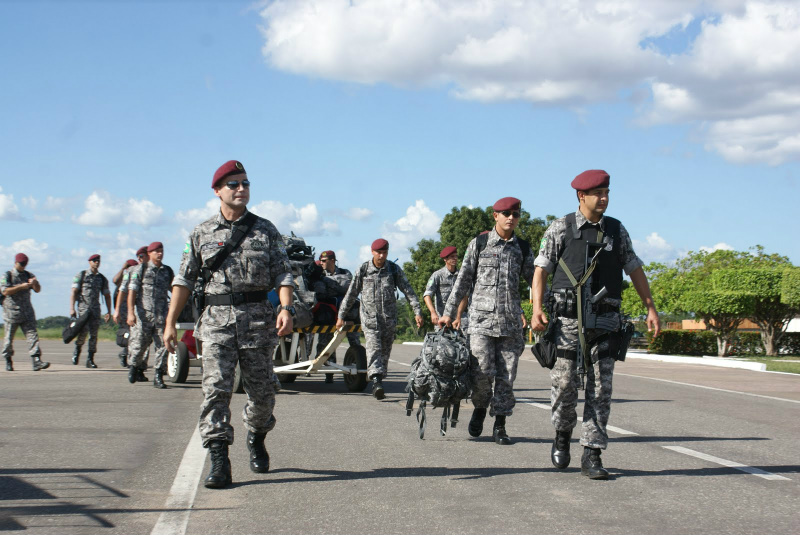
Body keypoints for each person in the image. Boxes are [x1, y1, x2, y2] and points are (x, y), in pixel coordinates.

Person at [164, 159, 295, 489]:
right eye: (234, 184)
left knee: (263, 394)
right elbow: (183, 279)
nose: (241, 189)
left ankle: (256, 433)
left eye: (245, 183)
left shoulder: (266, 230)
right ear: (217, 191)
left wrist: (285, 307)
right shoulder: (201, 233)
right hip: (216, 324)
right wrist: (169, 324)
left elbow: (283, 272)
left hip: (257, 323)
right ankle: (219, 459)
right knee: (215, 391)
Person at [531, 169, 660, 480]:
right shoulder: (560, 228)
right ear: (581, 196)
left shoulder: (616, 230)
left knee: (600, 389)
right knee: (564, 386)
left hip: (605, 321)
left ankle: (592, 453)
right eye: (598, 193)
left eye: (607, 192)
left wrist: (650, 307)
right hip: (567, 323)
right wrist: (536, 308)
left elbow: (634, 267)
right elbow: (540, 270)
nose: (603, 198)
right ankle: (562, 433)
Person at [439, 197, 534, 445]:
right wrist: (449, 312)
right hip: (480, 322)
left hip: (511, 324)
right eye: (505, 213)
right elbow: (463, 280)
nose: (511, 217)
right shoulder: (480, 243)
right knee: (481, 374)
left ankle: (500, 425)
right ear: (495, 216)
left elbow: (536, 281)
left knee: (507, 377)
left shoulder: (522, 248)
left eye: (515, 213)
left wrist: (541, 309)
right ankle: (480, 408)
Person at [337, 239, 423, 400]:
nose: (381, 256)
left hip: (389, 320)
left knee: (385, 352)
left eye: (384, 252)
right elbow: (351, 294)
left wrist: (417, 311)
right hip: (370, 319)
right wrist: (341, 316)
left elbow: (409, 291)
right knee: (374, 348)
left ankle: (379, 378)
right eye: (379, 252)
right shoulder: (363, 269)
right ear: (372, 252)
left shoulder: (393, 269)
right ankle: (376, 381)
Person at [126, 242, 173, 389]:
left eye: (161, 251)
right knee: (140, 345)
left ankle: (158, 375)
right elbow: (132, 292)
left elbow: (174, 289)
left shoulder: (167, 271)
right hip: (143, 315)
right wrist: (130, 313)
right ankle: (134, 366)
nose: (160, 254)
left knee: (162, 346)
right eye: (156, 251)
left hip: (162, 316)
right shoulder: (141, 269)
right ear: (150, 254)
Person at [312, 250, 361, 383]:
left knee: (355, 342)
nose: (321, 263)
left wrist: (330, 284)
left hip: (348, 315)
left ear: (332, 260)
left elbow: (351, 290)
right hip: (329, 314)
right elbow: (321, 295)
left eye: (324, 261)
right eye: (320, 261)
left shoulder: (346, 273)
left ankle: (358, 369)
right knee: (326, 344)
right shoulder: (319, 276)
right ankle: (329, 373)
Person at [1, 253, 49, 371]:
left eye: (25, 264)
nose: (23, 266)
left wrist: (34, 284)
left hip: (27, 312)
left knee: (33, 336)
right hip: (11, 313)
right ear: (15, 263)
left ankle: (36, 360)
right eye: (21, 264)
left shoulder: (28, 275)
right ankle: (8, 360)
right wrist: (21, 287)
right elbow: (5, 291)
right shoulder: (8, 275)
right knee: (8, 340)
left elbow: (38, 290)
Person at [70, 254, 112, 368]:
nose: (96, 262)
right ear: (89, 262)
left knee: (94, 335)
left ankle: (90, 359)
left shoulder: (102, 279)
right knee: (83, 333)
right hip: (83, 309)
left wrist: (109, 311)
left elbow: (107, 295)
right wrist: (72, 308)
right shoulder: (82, 275)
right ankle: (77, 350)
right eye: (94, 260)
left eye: (98, 260)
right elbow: (74, 291)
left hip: (95, 310)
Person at [114, 247, 150, 376]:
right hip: (135, 311)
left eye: (145, 255)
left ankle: (140, 369)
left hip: (152, 313)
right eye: (140, 256)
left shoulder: (156, 271)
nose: (143, 259)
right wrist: (118, 310)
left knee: (146, 342)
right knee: (137, 340)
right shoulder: (131, 271)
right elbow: (121, 289)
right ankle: (132, 363)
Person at [423, 246, 468, 332]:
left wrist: (458, 316)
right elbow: (427, 295)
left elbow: (465, 297)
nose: (455, 258)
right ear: (445, 259)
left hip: (460, 319)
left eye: (456, 256)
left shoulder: (461, 276)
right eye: (452, 257)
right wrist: (433, 312)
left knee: (465, 344)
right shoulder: (437, 275)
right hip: (442, 319)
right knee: (442, 344)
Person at [112, 258, 138, 367]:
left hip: (134, 311)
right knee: (129, 334)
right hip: (124, 312)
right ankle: (125, 354)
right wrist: (123, 268)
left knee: (133, 334)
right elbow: (114, 280)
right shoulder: (123, 280)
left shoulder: (137, 278)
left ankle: (126, 354)